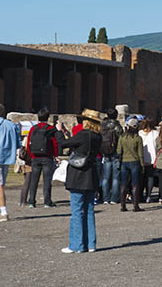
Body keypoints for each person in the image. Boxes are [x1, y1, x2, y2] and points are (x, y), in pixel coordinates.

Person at [57, 109, 103, 253]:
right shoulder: (97, 137)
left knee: (77, 211)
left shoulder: (83, 135)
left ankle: (76, 245)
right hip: (91, 175)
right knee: (89, 210)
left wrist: (59, 131)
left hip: (78, 175)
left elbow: (63, 144)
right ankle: (90, 244)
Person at [26, 107, 59, 208]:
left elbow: (28, 143)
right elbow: (55, 144)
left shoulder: (33, 128)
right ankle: (47, 201)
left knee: (34, 180)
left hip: (35, 157)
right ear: (48, 117)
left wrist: (31, 155)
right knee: (47, 180)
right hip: (47, 157)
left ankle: (31, 200)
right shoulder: (50, 129)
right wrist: (55, 155)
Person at [117, 117, 144, 212]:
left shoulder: (122, 137)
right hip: (135, 162)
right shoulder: (138, 138)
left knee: (123, 184)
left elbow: (119, 151)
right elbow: (140, 154)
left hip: (124, 162)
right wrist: (142, 165)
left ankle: (123, 205)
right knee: (135, 184)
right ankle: (135, 205)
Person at [99, 108, 123, 205]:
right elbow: (121, 138)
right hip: (116, 153)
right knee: (116, 178)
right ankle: (114, 198)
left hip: (105, 152)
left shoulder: (102, 125)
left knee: (105, 177)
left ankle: (105, 198)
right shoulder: (117, 126)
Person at [138, 118, 158, 202]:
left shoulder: (139, 133)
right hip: (152, 159)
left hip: (141, 158)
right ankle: (148, 195)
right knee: (150, 177)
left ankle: (140, 195)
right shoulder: (155, 134)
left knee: (141, 178)